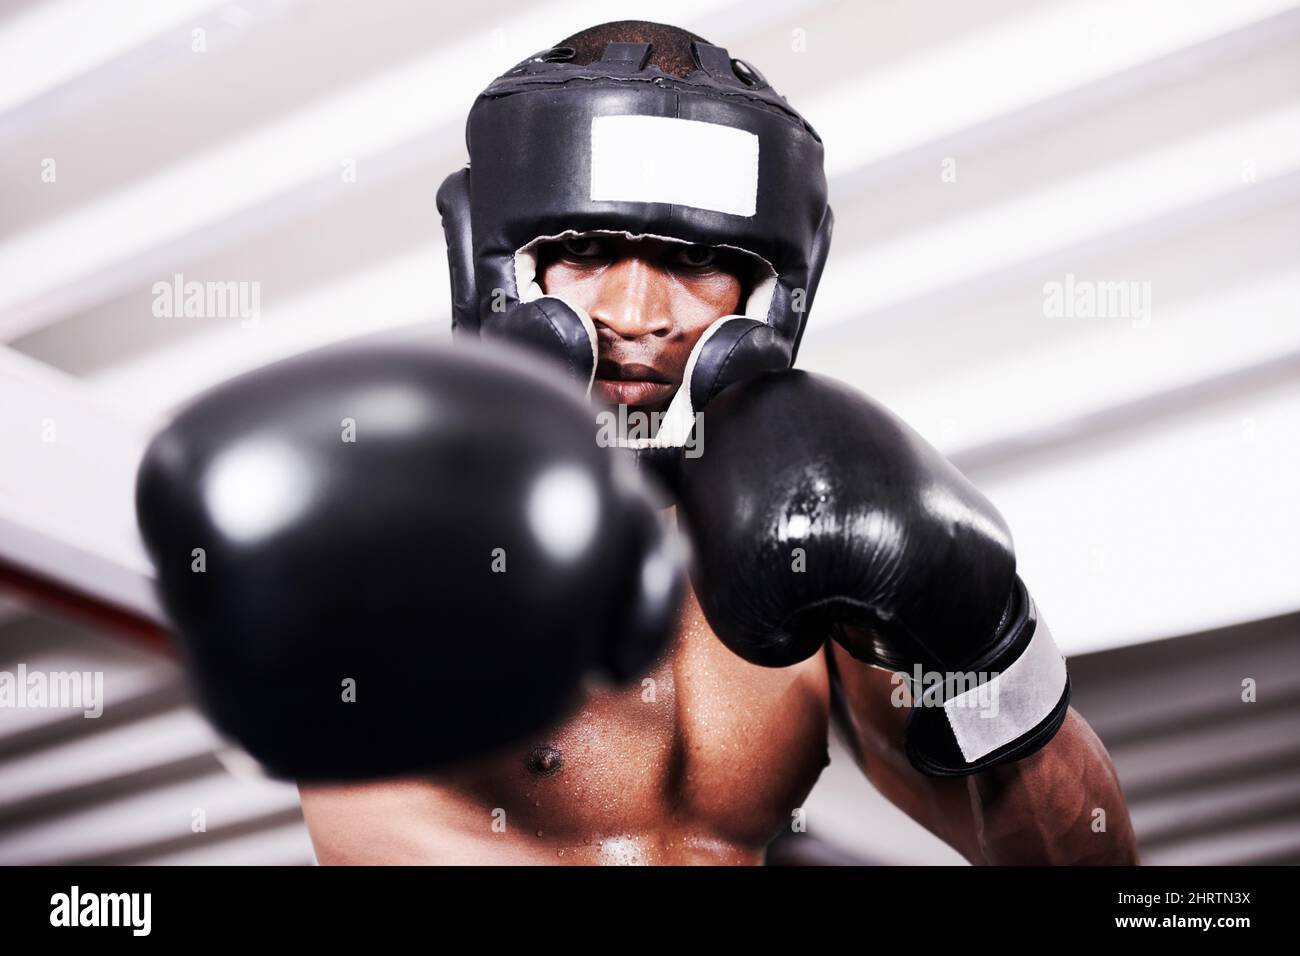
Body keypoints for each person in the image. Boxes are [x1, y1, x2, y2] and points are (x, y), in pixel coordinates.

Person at [138, 21, 1139, 865]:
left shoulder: (798, 530)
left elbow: (1074, 856)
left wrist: (987, 632)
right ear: (492, 265)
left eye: (698, 259)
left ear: (770, 292)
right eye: (581, 250)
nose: (635, 311)